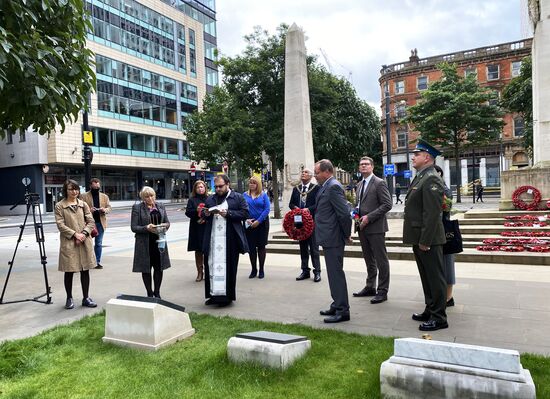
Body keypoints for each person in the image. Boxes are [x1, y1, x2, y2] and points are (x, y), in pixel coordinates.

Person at [403, 139, 448, 332]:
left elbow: (431, 214)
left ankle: (439, 317)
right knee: (426, 277)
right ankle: (430, 309)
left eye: (416, 154)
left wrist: (425, 241)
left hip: (427, 239)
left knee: (435, 278)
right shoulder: (422, 176)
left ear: (427, 157)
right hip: (419, 237)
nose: (413, 157)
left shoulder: (431, 178)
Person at [314, 159, 352, 323]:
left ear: (327, 171)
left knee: (336, 274)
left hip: (334, 237)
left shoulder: (333, 186)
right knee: (332, 273)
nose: (315, 176)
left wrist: (346, 234)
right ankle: (337, 304)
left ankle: (343, 310)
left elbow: (343, 214)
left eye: (317, 172)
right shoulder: (326, 186)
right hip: (328, 236)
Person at [202, 175, 249, 306]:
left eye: (220, 186)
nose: (218, 189)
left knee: (229, 267)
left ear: (227, 184)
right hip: (212, 239)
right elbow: (203, 214)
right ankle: (212, 295)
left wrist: (229, 214)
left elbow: (245, 213)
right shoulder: (210, 198)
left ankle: (227, 297)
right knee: (211, 266)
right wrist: (205, 214)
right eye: (215, 187)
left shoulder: (237, 197)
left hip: (230, 239)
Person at [353, 156, 392, 304]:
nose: (363, 166)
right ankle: (370, 286)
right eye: (361, 164)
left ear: (372, 167)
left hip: (375, 227)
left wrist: (369, 217)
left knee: (381, 260)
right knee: (368, 259)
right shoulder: (359, 184)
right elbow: (358, 205)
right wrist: (355, 214)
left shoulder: (379, 183)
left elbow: (387, 204)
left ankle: (382, 290)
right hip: (361, 227)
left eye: (366, 164)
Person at [54, 179, 97, 310]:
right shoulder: (60, 206)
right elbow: (60, 225)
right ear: (65, 191)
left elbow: (91, 221)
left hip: (84, 241)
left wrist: (83, 233)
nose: (74, 192)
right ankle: (69, 298)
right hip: (69, 242)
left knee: (85, 270)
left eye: (76, 189)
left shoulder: (83, 204)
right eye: (71, 189)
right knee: (69, 271)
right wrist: (75, 234)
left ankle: (86, 298)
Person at [131, 186, 171, 298]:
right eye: (147, 196)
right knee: (146, 268)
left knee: (159, 267)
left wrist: (164, 226)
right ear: (143, 198)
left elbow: (167, 222)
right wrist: (146, 228)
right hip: (144, 243)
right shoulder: (137, 208)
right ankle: (149, 293)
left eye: (152, 195)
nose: (150, 198)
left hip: (159, 241)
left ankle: (157, 292)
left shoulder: (161, 206)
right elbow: (134, 227)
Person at [289, 168, 322, 282]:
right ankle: (305, 271)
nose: (303, 174)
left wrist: (308, 209)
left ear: (311, 176)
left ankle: (317, 271)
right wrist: (296, 208)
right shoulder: (296, 189)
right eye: (302, 172)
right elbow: (291, 203)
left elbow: (319, 204)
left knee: (314, 248)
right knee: (303, 248)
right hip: (299, 223)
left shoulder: (316, 188)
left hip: (311, 222)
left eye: (306, 172)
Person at [434, 165, 456, 307]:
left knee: (447, 264)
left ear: (440, 174)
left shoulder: (445, 190)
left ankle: (448, 297)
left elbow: (446, 208)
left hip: (444, 230)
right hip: (435, 230)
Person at [80, 178, 111, 269]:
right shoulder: (83, 196)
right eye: (94, 187)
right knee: (86, 243)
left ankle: (97, 262)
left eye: (98, 187)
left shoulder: (104, 196)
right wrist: (89, 210)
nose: (97, 188)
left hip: (100, 223)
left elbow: (109, 207)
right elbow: (80, 209)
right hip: (88, 223)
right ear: (90, 186)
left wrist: (104, 210)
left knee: (98, 243)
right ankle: (86, 261)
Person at [243, 176, 270, 279]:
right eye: (250, 183)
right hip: (249, 223)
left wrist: (259, 221)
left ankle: (261, 269)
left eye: (254, 183)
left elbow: (267, 209)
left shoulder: (263, 195)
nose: (251, 184)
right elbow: (242, 208)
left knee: (261, 246)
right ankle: (254, 269)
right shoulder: (244, 195)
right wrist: (246, 219)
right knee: (251, 248)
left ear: (258, 184)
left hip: (262, 223)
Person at [185, 180, 208, 282]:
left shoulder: (210, 199)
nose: (200, 188)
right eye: (198, 187)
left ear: (205, 188)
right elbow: (188, 212)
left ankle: (208, 271)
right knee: (198, 250)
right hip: (196, 227)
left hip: (207, 227)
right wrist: (196, 210)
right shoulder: (192, 200)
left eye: (202, 187)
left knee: (208, 250)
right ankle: (200, 272)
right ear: (195, 189)